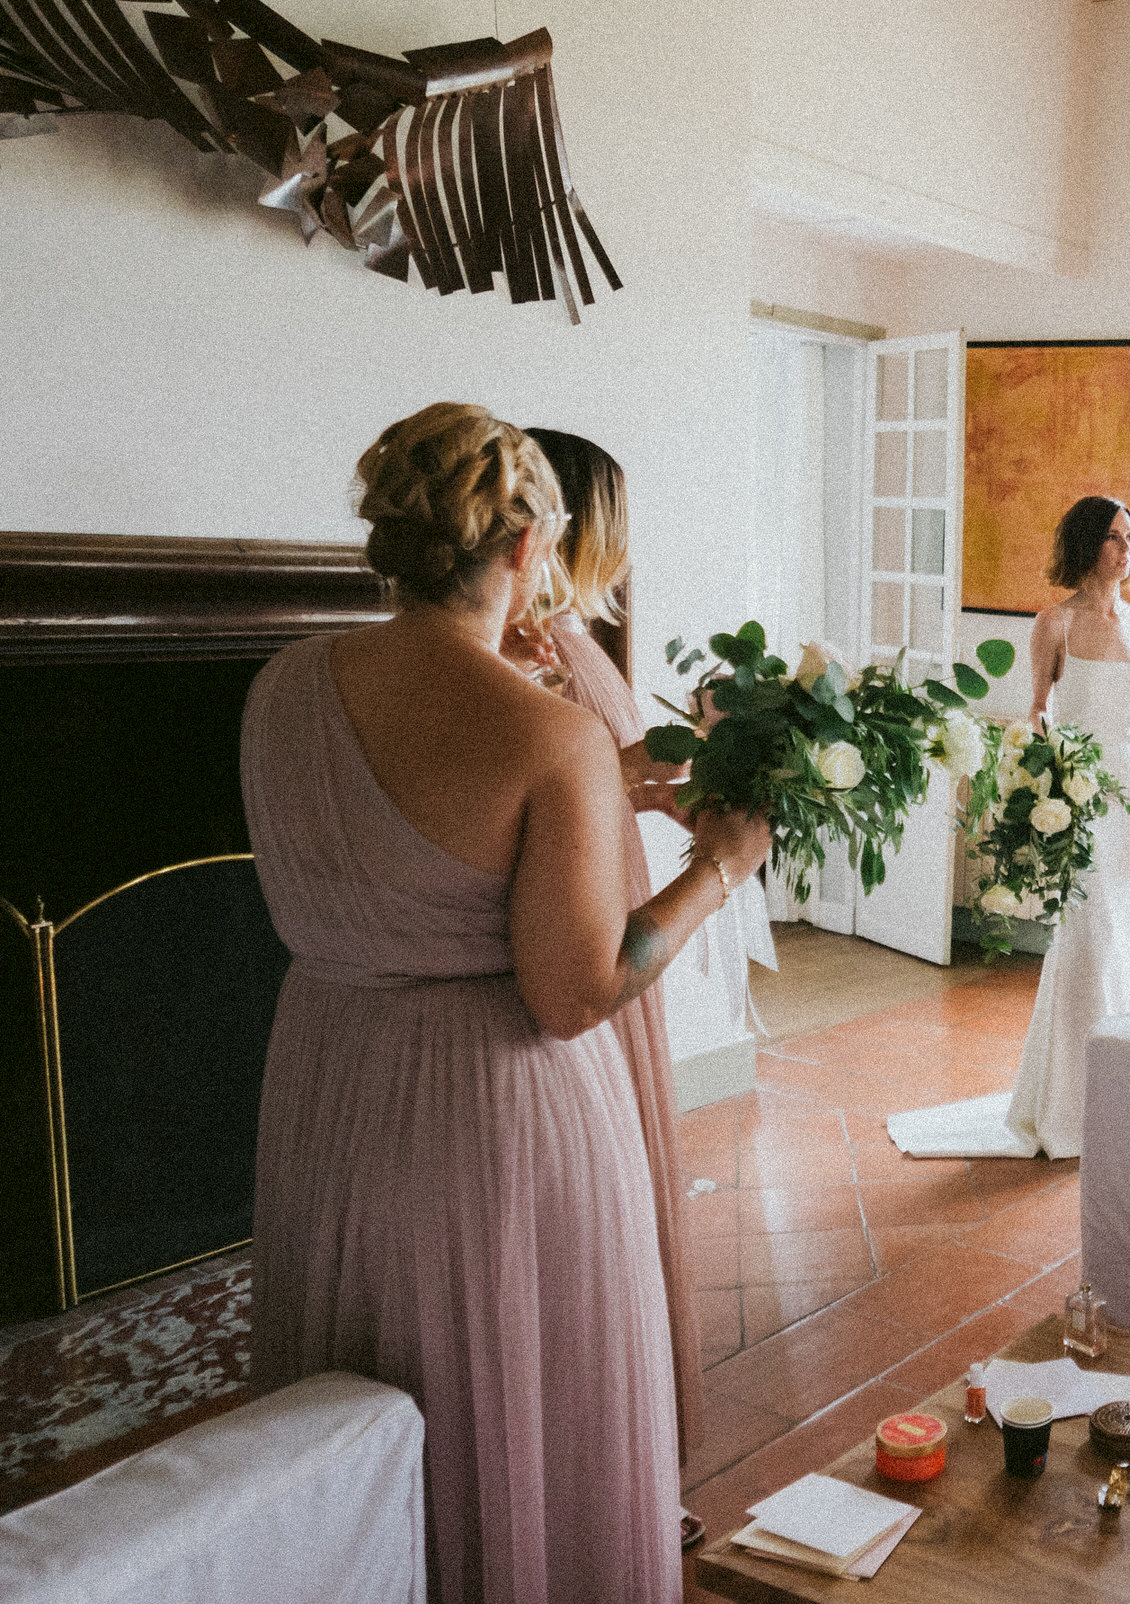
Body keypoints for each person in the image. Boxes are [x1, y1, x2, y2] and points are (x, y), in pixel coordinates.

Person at [240, 403, 773, 1603]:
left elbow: (408, 859)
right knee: (514, 1387)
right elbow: (580, 987)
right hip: (494, 1117)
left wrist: (607, 781)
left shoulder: (280, 685)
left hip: (327, 1082)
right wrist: (720, 867)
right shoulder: (547, 729)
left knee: (361, 1375)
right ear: (530, 549)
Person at [496, 428, 708, 1542]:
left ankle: (630, 1462)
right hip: (589, 950)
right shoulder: (536, 652)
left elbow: (594, 783)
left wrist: (665, 776)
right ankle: (605, 1476)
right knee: (599, 1225)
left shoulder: (569, 636)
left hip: (621, 934)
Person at [885, 495, 1130, 1159]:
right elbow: (1037, 710)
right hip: (1080, 788)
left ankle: (1124, 1093)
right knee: (1091, 930)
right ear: (1085, 545)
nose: (1124, 550)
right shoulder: (1055, 623)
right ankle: (1072, 1105)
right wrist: (1051, 772)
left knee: (1126, 929)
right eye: (1111, 538)